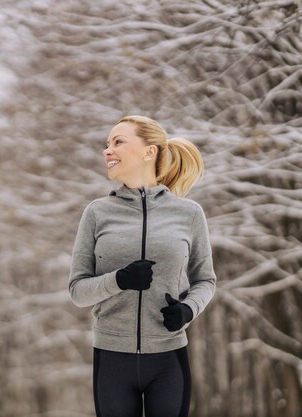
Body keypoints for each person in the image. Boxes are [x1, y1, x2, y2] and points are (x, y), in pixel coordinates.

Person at [68, 115, 216, 417]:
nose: (107, 151)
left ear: (150, 152)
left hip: (169, 358)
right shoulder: (97, 213)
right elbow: (77, 291)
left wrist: (188, 310)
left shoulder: (188, 213)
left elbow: (206, 280)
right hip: (112, 359)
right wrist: (119, 280)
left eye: (118, 142)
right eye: (107, 144)